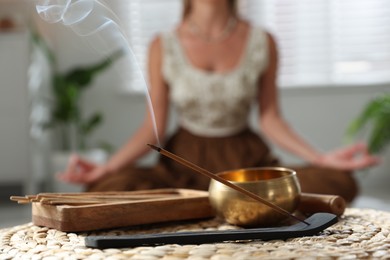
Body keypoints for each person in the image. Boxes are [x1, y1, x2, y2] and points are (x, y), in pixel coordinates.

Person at [59, 0, 380, 203]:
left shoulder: (262, 41)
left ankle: (196, 208)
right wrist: (107, 168)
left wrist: (322, 160)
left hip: (247, 162)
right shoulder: (163, 44)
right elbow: (152, 127)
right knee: (105, 191)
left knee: (339, 183)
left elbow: (271, 118)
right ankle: (218, 206)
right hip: (182, 162)